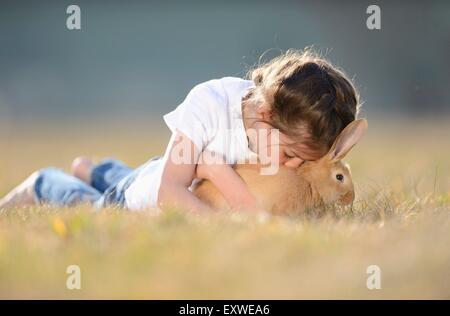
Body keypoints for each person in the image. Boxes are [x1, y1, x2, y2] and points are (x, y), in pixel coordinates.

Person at [0, 49, 360, 213]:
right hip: (149, 190)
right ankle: (45, 181)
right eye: (291, 155)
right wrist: (222, 227)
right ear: (265, 114)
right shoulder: (209, 104)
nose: (293, 167)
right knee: (101, 203)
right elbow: (168, 190)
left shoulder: (283, 123)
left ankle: (93, 168)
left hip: (167, 163)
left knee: (145, 168)